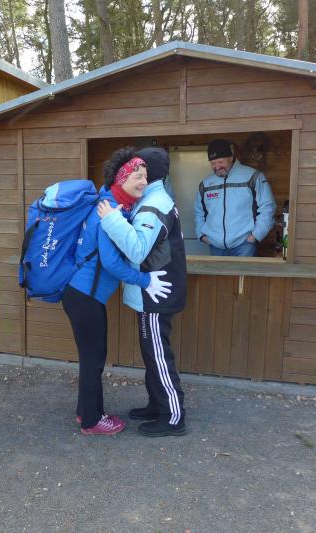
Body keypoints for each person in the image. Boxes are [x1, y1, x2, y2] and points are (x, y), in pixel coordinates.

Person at [63, 148, 172, 436]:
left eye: (146, 176)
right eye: (138, 176)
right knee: (93, 360)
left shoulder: (111, 204)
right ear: (121, 178)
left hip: (84, 295)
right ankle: (92, 421)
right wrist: (144, 280)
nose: (144, 182)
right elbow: (111, 263)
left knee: (92, 357)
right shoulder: (108, 210)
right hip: (85, 297)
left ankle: (85, 412)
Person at [97, 147, 188, 437]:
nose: (137, 173)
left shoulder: (153, 205)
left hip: (156, 295)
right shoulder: (151, 199)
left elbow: (137, 248)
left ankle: (173, 417)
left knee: (158, 355)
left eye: (140, 168)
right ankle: (157, 405)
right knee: (152, 353)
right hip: (153, 291)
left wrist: (110, 219)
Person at [194, 138, 276, 257]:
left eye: (220, 162)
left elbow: (268, 207)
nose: (217, 167)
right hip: (215, 245)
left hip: (244, 245)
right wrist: (201, 235)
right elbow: (199, 212)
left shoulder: (253, 177)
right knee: (217, 271)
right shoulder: (206, 183)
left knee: (242, 271)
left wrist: (256, 235)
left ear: (231, 157)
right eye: (213, 163)